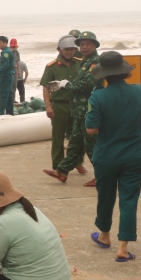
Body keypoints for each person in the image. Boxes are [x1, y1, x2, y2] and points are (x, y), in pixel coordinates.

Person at [84, 52, 141, 263]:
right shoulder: (139, 91)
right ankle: (123, 248)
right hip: (134, 154)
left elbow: (91, 130)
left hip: (106, 156)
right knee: (129, 199)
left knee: (105, 196)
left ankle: (104, 235)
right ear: (124, 72)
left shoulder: (98, 96)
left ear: (103, 75)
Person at [47, 31, 103, 185]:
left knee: (91, 146)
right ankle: (62, 171)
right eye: (82, 44)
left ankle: (101, 176)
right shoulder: (85, 62)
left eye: (88, 44)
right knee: (75, 143)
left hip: (89, 111)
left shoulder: (95, 63)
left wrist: (66, 85)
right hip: (79, 110)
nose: (84, 47)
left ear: (95, 45)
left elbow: (88, 84)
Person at [41, 37, 80, 171]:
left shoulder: (79, 64)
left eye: (72, 49)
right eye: (66, 49)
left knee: (77, 136)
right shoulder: (51, 67)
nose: (70, 52)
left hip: (76, 105)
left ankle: (77, 162)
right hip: (59, 105)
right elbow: (46, 87)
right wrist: (48, 106)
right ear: (59, 50)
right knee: (58, 137)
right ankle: (57, 165)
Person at [0, 36, 17, 116]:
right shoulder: (7, 51)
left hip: (6, 77)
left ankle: (1, 113)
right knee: (8, 96)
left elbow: (5, 66)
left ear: (5, 43)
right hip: (8, 76)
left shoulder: (6, 53)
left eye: (0, 43)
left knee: (3, 95)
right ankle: (10, 112)